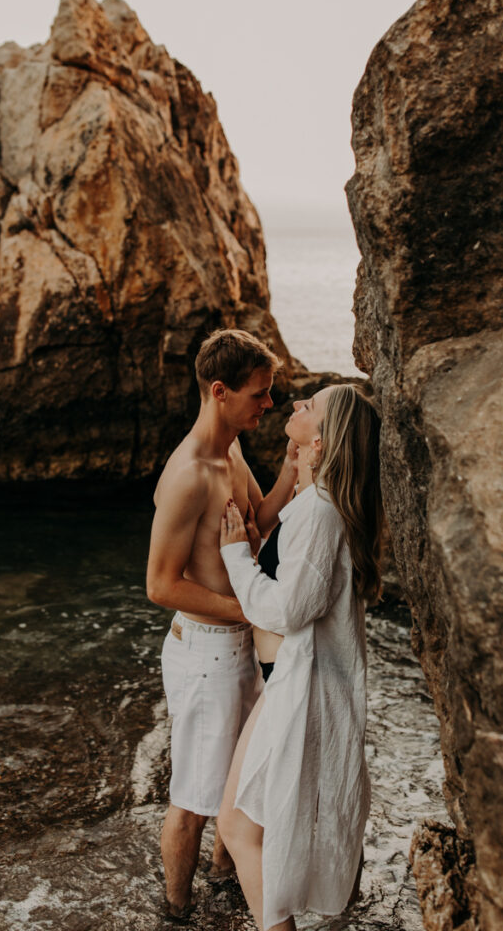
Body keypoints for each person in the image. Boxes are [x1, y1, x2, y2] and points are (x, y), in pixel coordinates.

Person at [217, 383, 382, 931]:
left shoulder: (321, 513)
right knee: (254, 828)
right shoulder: (317, 504)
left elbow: (288, 610)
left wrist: (235, 556)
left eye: (308, 406)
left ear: (323, 441)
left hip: (301, 692)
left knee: (242, 830)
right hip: (291, 684)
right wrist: (295, 474)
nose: (294, 405)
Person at [146, 329, 298, 921]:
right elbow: (161, 585)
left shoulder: (232, 451)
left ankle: (224, 884)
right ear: (219, 390)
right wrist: (254, 610)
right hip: (206, 651)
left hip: (239, 645)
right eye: (260, 394)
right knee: (193, 799)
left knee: (239, 784)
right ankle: (176, 913)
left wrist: (290, 468)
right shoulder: (191, 474)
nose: (269, 403)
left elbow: (258, 521)